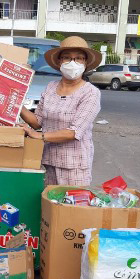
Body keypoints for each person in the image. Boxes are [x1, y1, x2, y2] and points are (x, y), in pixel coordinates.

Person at [19, 36, 102, 186]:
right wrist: (16, 104)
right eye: (67, 58)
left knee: (70, 208)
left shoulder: (90, 93)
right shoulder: (51, 87)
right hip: (47, 161)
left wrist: (38, 136)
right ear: (59, 62)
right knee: (48, 206)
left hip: (74, 166)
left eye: (78, 59)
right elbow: (37, 121)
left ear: (85, 63)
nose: (72, 63)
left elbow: (74, 132)